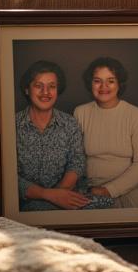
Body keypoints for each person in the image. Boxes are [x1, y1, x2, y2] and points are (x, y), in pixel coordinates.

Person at [72, 56, 138, 209]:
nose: (103, 86)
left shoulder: (136, 115)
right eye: (97, 81)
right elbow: (74, 158)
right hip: (91, 189)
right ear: (90, 84)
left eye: (110, 81)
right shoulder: (80, 112)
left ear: (119, 84)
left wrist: (108, 190)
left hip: (133, 189)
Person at [16, 60, 87, 212]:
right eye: (38, 86)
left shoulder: (70, 123)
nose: (45, 92)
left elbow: (77, 162)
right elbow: (8, 176)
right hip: (25, 203)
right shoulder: (11, 125)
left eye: (52, 86)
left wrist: (61, 193)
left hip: (68, 197)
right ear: (27, 89)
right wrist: (48, 195)